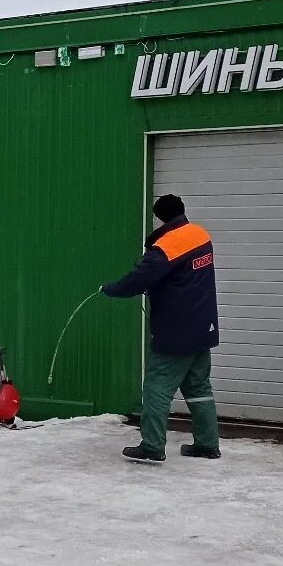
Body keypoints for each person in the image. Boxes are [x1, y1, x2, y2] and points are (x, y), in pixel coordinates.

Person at [101, 192, 221, 465]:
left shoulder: (166, 247)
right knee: (199, 388)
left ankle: (152, 446)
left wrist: (109, 289)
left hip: (175, 331)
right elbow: (184, 278)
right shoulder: (200, 235)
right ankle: (207, 444)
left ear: (160, 217)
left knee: (157, 387)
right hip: (204, 326)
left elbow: (135, 281)